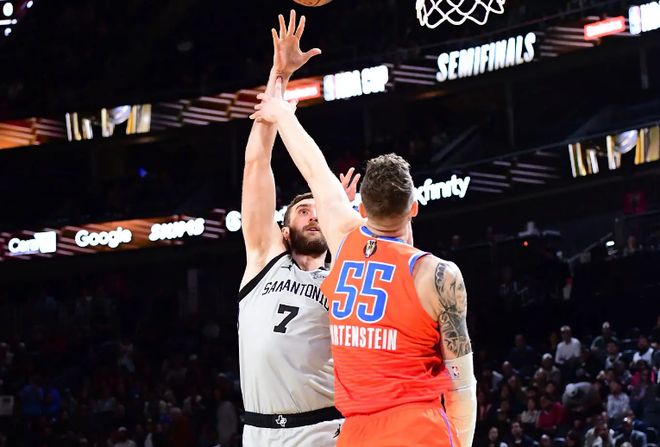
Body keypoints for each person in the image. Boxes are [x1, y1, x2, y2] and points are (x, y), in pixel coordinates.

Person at [251, 83, 477, 446]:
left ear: (363, 208)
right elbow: (461, 386)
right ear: (414, 207)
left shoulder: (344, 240)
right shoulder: (437, 275)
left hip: (357, 432)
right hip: (418, 429)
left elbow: (315, 169)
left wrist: (281, 112)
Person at [238, 11, 346, 446]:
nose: (314, 215)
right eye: (303, 211)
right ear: (283, 231)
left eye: (318, 210)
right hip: (259, 433)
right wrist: (279, 77)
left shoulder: (344, 275)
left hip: (326, 428)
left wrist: (339, 208)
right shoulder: (264, 258)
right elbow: (256, 165)